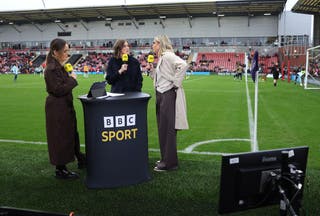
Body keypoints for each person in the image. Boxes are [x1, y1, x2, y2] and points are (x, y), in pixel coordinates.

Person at [44, 38, 86, 180]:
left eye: (68, 51)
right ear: (55, 52)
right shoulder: (51, 69)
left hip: (64, 105)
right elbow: (58, 89)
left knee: (71, 133)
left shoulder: (58, 66)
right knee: (60, 136)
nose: (68, 54)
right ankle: (60, 169)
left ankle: (79, 158)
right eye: (65, 51)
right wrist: (73, 79)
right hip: (57, 107)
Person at [147, 35, 189, 172]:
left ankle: (169, 163)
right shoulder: (162, 58)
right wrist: (152, 70)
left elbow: (183, 65)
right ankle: (166, 158)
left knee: (167, 130)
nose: (152, 45)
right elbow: (160, 78)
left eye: (154, 43)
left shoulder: (167, 56)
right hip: (161, 94)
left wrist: (176, 82)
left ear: (160, 44)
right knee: (163, 129)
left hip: (167, 95)